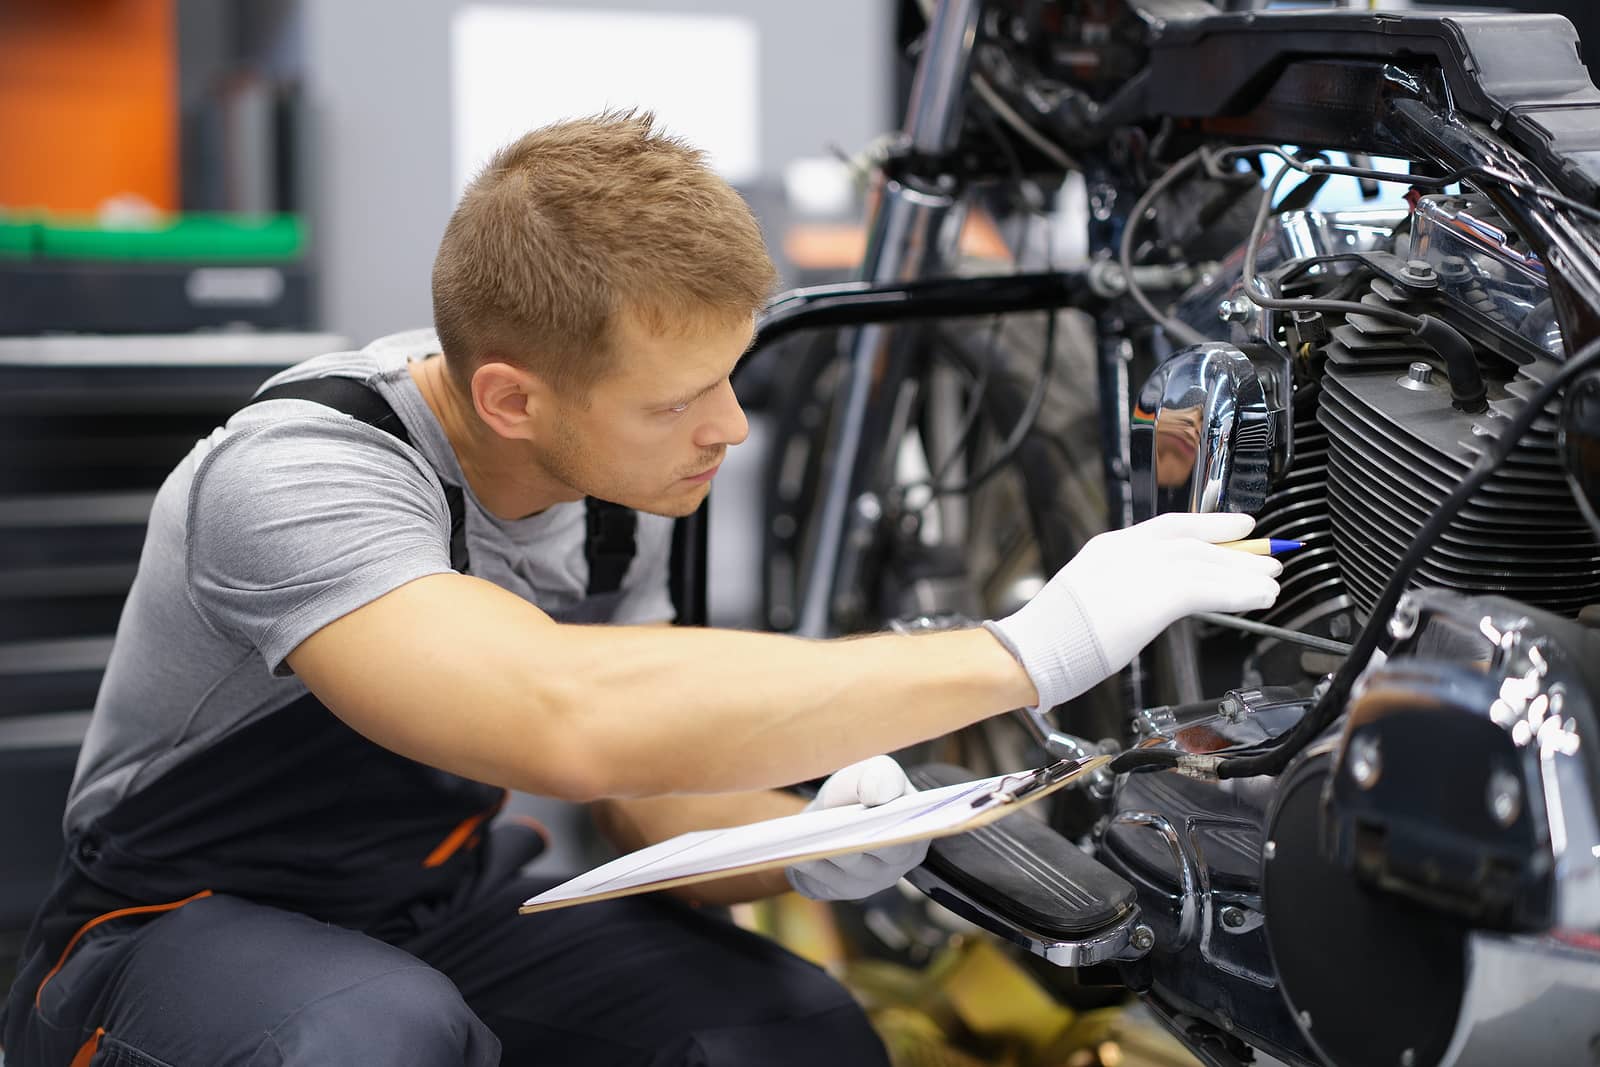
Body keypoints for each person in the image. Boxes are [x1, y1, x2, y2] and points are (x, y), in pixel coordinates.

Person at [0, 111, 1281, 1067]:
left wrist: (813, 841)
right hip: (162, 927)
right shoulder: (299, 475)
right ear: (512, 395)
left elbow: (639, 788)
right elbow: (558, 710)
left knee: (788, 1029)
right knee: (368, 1037)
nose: (726, 428)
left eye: (730, 376)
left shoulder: (628, 471)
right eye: (678, 400)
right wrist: (1026, 651)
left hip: (430, 899)